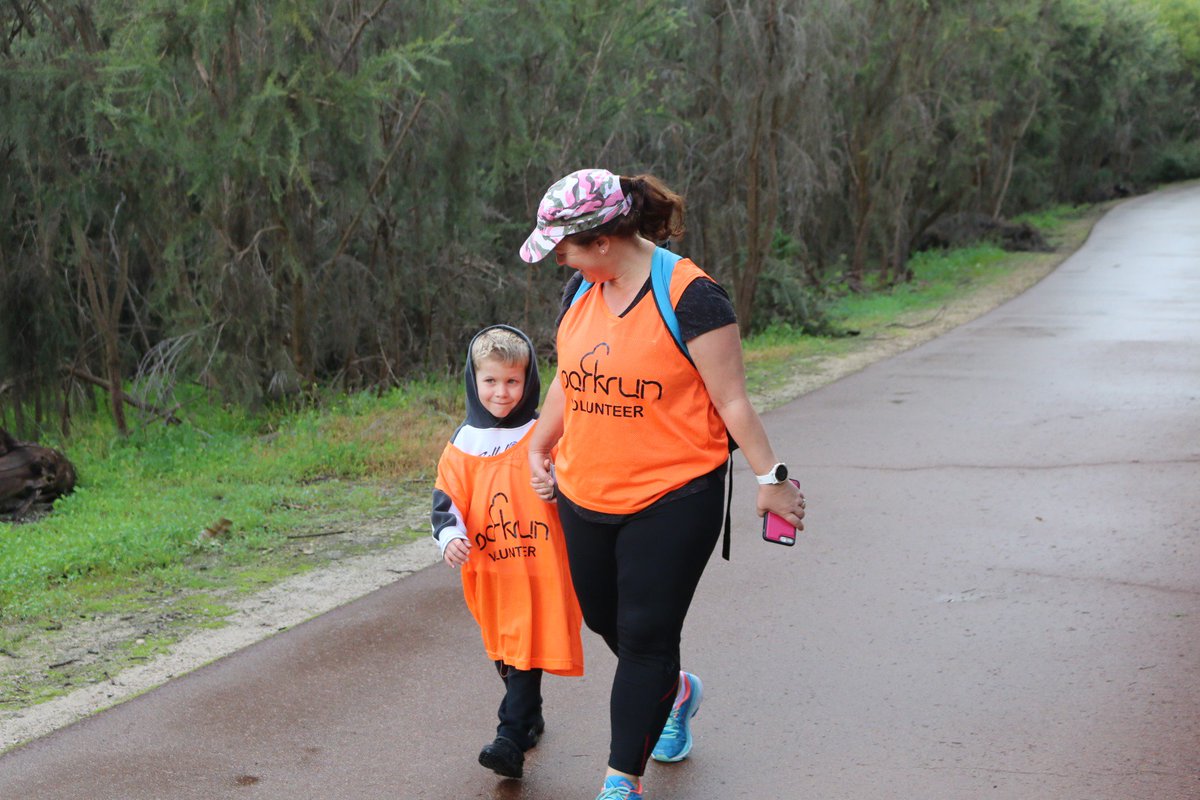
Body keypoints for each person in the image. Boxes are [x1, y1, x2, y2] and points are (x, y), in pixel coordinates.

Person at [519, 169, 807, 800]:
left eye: (563, 246)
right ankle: (674, 692)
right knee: (605, 619)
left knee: (647, 636)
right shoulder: (580, 288)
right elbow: (573, 374)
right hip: (585, 490)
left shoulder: (691, 295)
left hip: (675, 495)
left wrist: (771, 480)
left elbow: (732, 401)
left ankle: (622, 782)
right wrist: (541, 441)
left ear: (601, 240)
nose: (557, 259)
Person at [431, 325, 584, 780]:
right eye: (491, 381)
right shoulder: (463, 444)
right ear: (473, 381)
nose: (502, 392)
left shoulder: (545, 432)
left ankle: (510, 738)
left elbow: (575, 479)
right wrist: (449, 537)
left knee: (525, 649)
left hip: (540, 567)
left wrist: (556, 487)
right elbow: (445, 502)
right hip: (491, 571)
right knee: (505, 650)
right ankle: (530, 717)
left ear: (529, 380)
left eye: (513, 381)